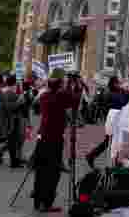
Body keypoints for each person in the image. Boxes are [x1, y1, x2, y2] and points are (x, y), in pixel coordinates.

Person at [32, 69, 81, 213]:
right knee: (52, 172)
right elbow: (75, 100)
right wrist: (76, 85)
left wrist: (65, 85)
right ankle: (46, 202)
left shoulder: (45, 96)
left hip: (42, 138)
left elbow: (65, 96)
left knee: (41, 170)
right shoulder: (61, 97)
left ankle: (37, 200)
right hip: (54, 139)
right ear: (59, 85)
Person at [0, 75, 27, 168]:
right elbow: (8, 107)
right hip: (4, 122)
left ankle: (14, 162)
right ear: (14, 84)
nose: (17, 86)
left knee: (10, 142)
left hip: (5, 121)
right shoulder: (8, 93)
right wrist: (19, 102)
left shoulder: (5, 91)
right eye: (16, 84)